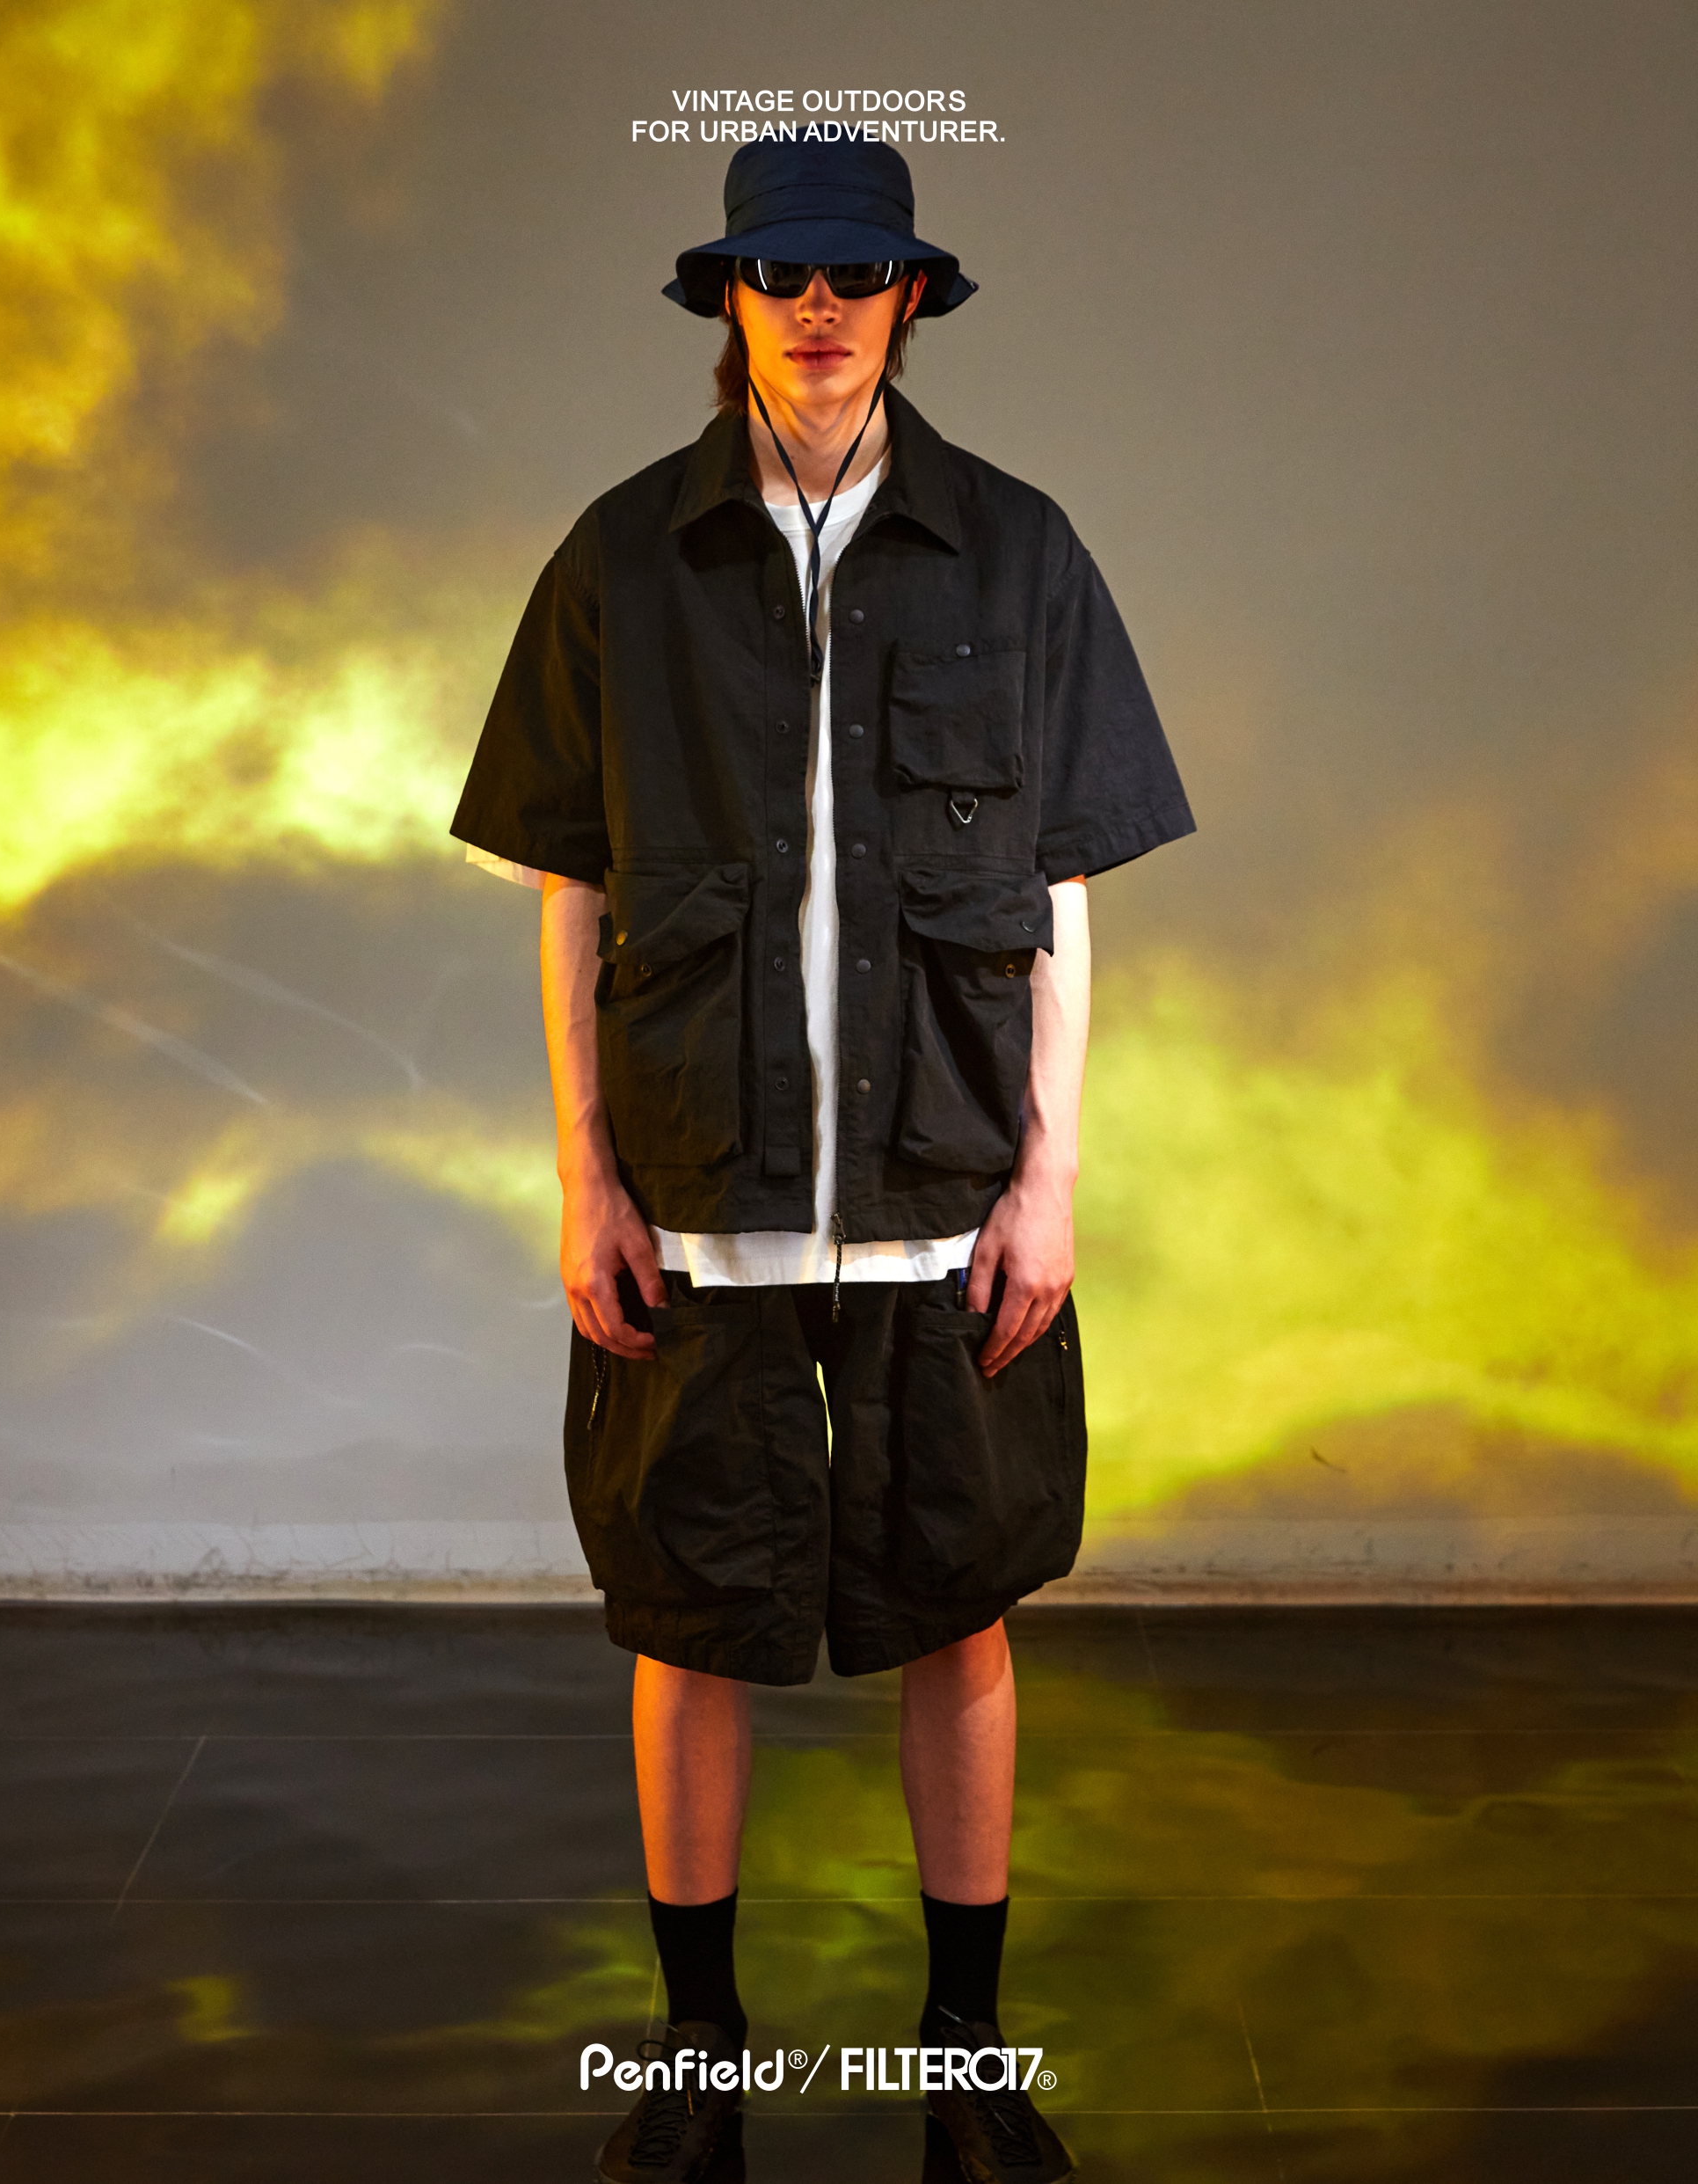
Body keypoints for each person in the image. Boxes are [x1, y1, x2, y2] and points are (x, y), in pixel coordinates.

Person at [452, 137, 1193, 2184]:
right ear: (727, 296)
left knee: (959, 1610)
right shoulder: (620, 561)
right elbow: (572, 891)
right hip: (697, 1189)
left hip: (942, 1190)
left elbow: (1058, 892)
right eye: (779, 273)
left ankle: (965, 2057)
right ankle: (697, 2060)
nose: (818, 308)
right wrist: (584, 1176)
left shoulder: (1019, 552)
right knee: (684, 1620)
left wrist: (1048, 1178)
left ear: (913, 297)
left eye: (856, 275)